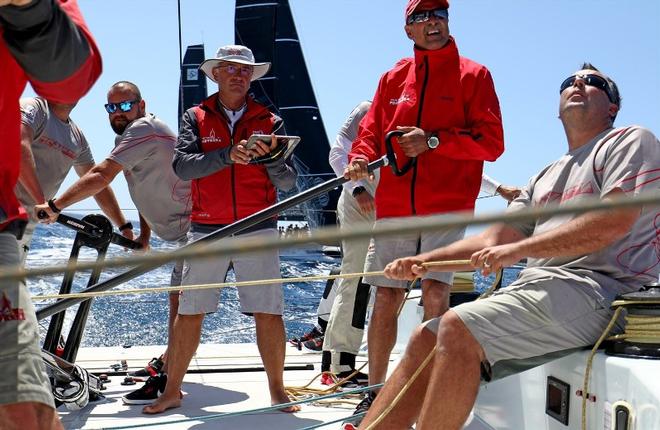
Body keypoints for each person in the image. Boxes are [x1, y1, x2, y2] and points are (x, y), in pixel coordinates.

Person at [358, 64, 660, 429]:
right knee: (426, 335)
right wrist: (422, 260)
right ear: (557, 106)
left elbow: (614, 220)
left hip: (600, 291)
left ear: (612, 108)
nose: (578, 83)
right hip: (540, 289)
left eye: (593, 82)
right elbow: (494, 240)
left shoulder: (629, 141)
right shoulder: (544, 177)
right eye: (570, 82)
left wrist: (519, 250)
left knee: (456, 327)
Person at [342, 0, 504, 419]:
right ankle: (377, 391)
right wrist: (359, 161)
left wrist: (433, 141)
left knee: (436, 294)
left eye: (439, 15)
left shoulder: (475, 75)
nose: (432, 23)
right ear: (408, 30)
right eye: (421, 18)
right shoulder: (393, 77)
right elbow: (370, 133)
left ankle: (425, 387)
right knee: (385, 297)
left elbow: (492, 143)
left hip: (447, 208)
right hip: (395, 207)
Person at [143, 44, 298, 414]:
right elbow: (182, 167)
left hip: (258, 226)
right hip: (206, 228)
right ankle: (172, 391)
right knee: (190, 311)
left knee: (269, 311)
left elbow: (289, 182)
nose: (238, 75)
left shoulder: (270, 120)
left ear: (251, 77)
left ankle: (277, 390)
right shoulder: (194, 116)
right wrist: (227, 156)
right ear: (215, 75)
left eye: (245, 70)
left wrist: (270, 160)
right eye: (230, 69)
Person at [34, 81, 191, 405]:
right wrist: (140, 233)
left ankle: (168, 381)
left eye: (125, 106)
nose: (118, 113)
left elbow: (101, 175)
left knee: (184, 306)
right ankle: (168, 363)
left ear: (141, 104)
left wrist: (55, 206)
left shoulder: (144, 128)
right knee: (182, 304)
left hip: (200, 228)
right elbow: (141, 188)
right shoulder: (128, 137)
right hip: (182, 233)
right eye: (111, 108)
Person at [0, 0, 101, 429]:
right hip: (23, 213)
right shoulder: (36, 114)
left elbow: (72, 79)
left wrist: (25, 7)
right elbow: (21, 143)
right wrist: (45, 201)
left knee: (24, 411)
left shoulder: (73, 132)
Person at [18, 96, 130, 264]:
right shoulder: (34, 108)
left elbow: (96, 180)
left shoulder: (77, 138)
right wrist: (44, 203)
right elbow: (17, 147)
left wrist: (124, 227)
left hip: (24, 227)